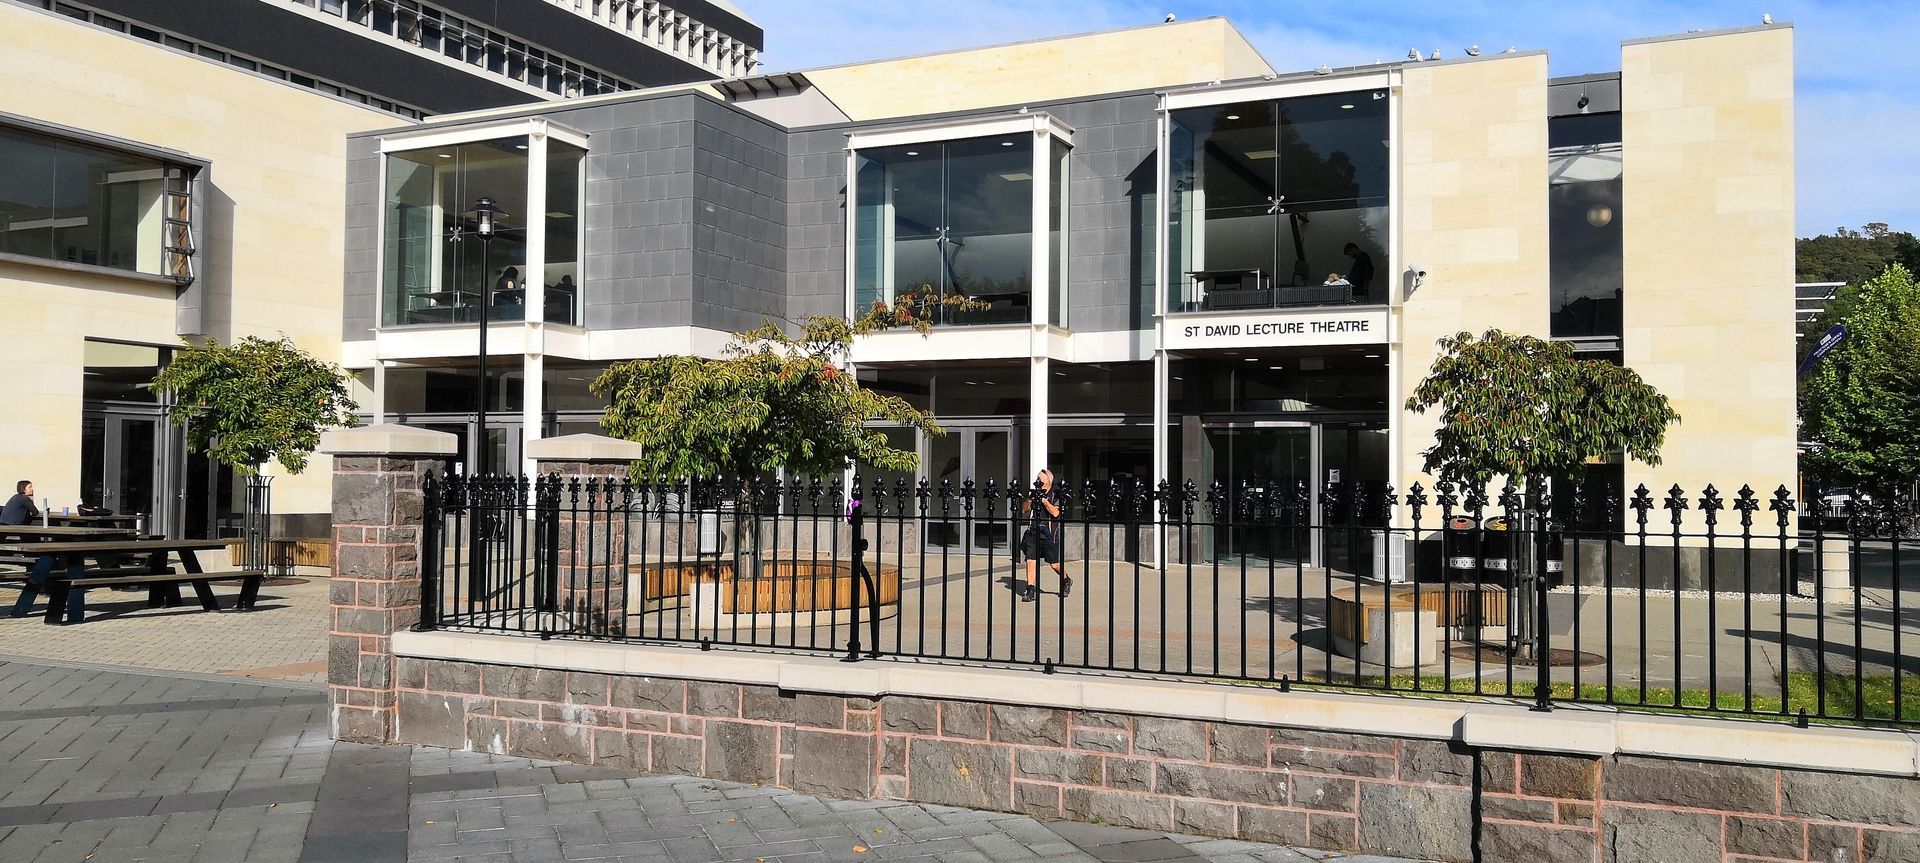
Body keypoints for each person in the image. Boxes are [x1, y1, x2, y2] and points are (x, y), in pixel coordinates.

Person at [1018, 468, 1070, 602]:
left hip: (1049, 535)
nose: (1037, 481)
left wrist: (1044, 501)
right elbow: (1024, 510)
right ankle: (1030, 590)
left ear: (1048, 481)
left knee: (1054, 564)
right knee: (1030, 561)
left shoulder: (1056, 495)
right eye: (1037, 479)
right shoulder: (1035, 494)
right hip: (1033, 533)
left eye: (1040, 479)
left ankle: (1066, 580)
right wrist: (1030, 499)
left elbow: (1056, 513)